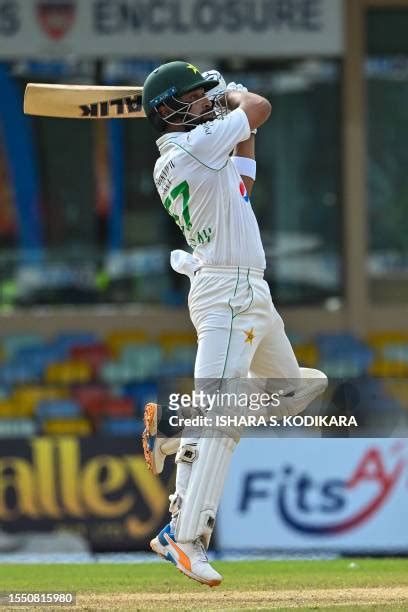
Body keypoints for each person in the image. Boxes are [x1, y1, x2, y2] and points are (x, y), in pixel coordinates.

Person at [141, 60, 328, 587]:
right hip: (224, 292)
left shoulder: (204, 152)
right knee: (222, 413)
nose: (204, 100)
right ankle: (183, 535)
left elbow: (244, 172)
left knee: (294, 390)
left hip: (252, 292)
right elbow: (261, 110)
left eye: (206, 94)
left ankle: (179, 438)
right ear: (171, 111)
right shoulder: (187, 147)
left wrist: (228, 103)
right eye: (194, 95)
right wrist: (232, 96)